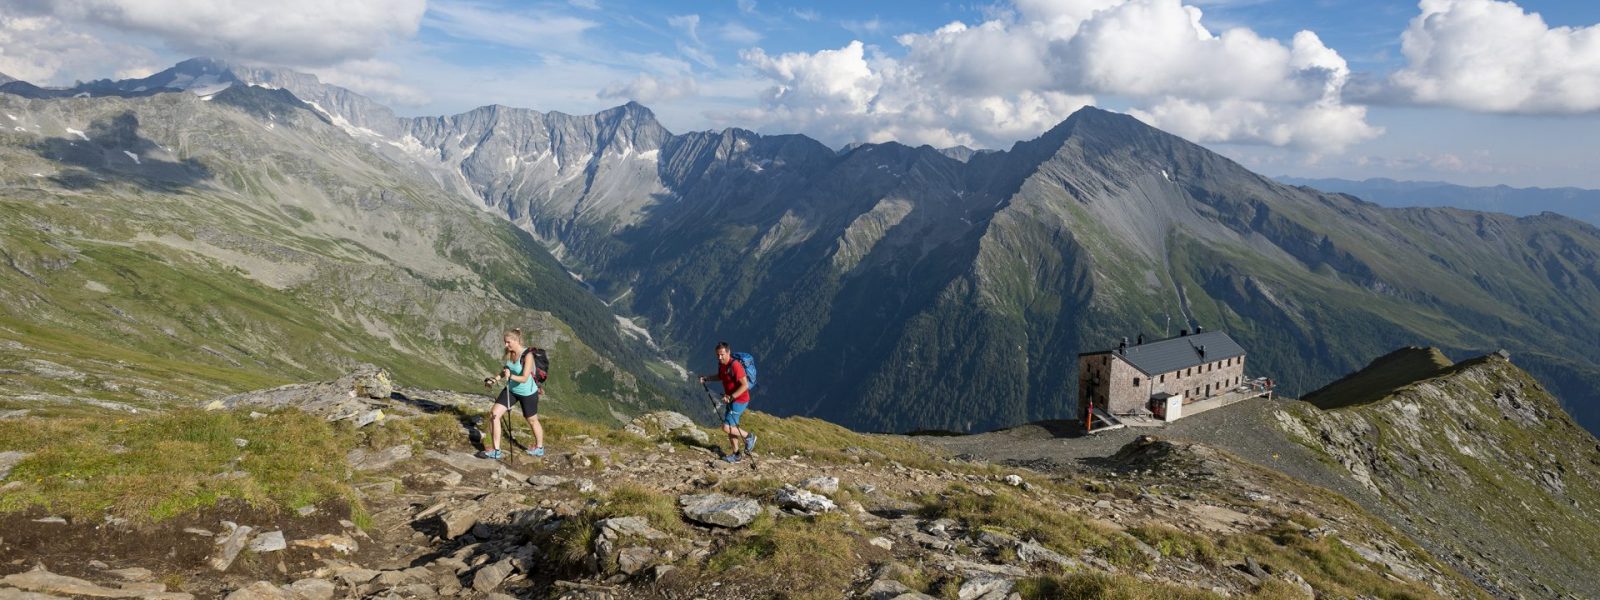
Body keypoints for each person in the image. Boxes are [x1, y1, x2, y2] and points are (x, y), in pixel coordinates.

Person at [480, 328, 545, 459]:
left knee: (532, 420)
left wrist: (510, 377)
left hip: (527, 392)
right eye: (505, 342)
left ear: (516, 341)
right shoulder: (510, 353)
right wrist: (495, 379)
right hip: (511, 390)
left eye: (508, 342)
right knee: (494, 414)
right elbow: (506, 370)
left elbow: (525, 378)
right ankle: (496, 450)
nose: (506, 345)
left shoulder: (527, 355)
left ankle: (539, 448)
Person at [698, 341, 755, 463]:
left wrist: (731, 397)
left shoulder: (735, 366)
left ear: (728, 352)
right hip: (731, 399)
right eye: (718, 355)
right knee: (731, 428)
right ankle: (736, 455)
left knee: (725, 427)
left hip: (739, 400)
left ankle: (749, 437)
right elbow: (721, 376)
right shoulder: (722, 364)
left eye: (722, 354)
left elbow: (745, 385)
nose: (720, 357)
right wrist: (707, 378)